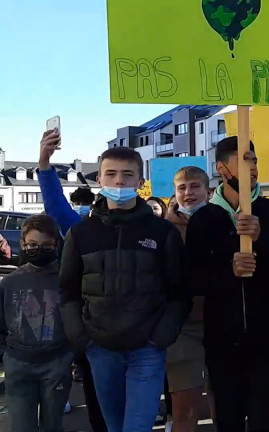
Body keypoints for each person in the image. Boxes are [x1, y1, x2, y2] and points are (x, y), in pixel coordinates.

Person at [58, 147, 187, 432]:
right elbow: (67, 291)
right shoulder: (81, 234)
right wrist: (83, 338)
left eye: (127, 175)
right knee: (114, 426)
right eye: (111, 174)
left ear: (140, 182)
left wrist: (160, 337)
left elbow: (179, 291)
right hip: (100, 349)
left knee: (137, 427)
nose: (119, 182)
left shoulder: (162, 232)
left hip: (147, 349)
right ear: (100, 180)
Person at [185, 136, 269, 431]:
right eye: (245, 161)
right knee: (228, 415)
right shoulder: (204, 219)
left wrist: (262, 241)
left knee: (265, 415)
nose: (253, 167)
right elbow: (193, 278)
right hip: (222, 339)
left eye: (254, 160)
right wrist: (227, 270)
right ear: (222, 168)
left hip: (267, 336)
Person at [38, 129, 107, 432]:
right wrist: (43, 162)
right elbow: (55, 206)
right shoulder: (81, 228)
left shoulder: (154, 229)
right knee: (99, 408)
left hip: (140, 342)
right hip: (93, 335)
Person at [0, 215, 72, 432]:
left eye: (46, 245)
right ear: (23, 244)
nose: (39, 249)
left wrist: (70, 355)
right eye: (32, 244)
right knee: (22, 425)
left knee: (53, 424)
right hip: (18, 364)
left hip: (56, 363)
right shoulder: (10, 282)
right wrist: (5, 354)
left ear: (56, 245)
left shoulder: (66, 279)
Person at [164, 166, 211, 432]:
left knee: (224, 402)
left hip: (221, 322)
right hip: (183, 327)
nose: (188, 193)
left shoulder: (223, 223)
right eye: (182, 188)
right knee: (185, 405)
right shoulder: (164, 231)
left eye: (194, 186)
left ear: (207, 190)